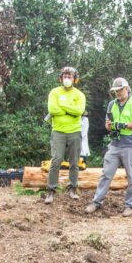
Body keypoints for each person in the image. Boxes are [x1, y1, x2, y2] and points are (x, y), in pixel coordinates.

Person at [86, 77, 132, 217]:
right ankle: (96, 202)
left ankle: (130, 205)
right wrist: (110, 126)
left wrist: (123, 125)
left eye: (120, 90)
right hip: (114, 144)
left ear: (126, 88)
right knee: (106, 174)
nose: (118, 93)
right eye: (115, 91)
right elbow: (107, 125)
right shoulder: (111, 104)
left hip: (130, 144)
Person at [45, 66, 87, 204]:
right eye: (65, 77)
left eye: (70, 77)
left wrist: (62, 107)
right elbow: (52, 109)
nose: (67, 79)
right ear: (61, 78)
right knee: (56, 160)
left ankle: (73, 189)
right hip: (58, 131)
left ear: (75, 79)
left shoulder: (80, 95)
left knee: (74, 162)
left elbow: (79, 111)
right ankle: (50, 191)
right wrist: (70, 110)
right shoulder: (54, 92)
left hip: (75, 131)